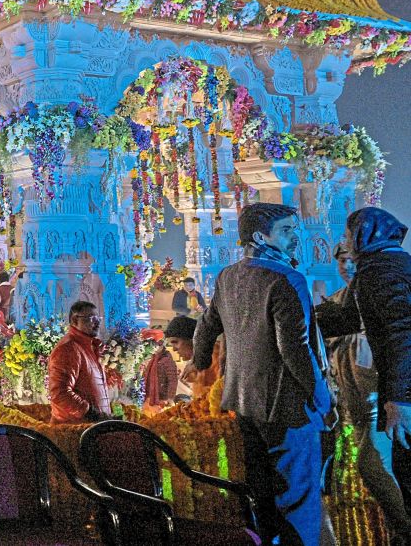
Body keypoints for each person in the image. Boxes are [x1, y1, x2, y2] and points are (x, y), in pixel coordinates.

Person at [192, 202, 334, 546]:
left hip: (244, 404)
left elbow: (205, 328)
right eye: (286, 231)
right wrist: (322, 397)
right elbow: (296, 349)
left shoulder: (228, 277)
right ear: (260, 236)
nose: (295, 238)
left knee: (263, 498)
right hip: (288, 409)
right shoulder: (287, 278)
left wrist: (197, 363)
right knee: (297, 501)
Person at [317, 207, 411, 537]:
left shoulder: (381, 270)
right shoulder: (385, 266)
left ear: (365, 235)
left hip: (400, 395)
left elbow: (401, 332)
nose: (347, 246)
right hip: (391, 393)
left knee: (395, 472)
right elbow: (349, 318)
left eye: (349, 237)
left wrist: (399, 399)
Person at [47, 300, 111, 424]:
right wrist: (90, 413)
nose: (97, 322)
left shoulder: (90, 347)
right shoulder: (68, 348)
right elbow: (60, 394)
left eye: (98, 318)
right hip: (74, 430)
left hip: (92, 427)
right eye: (91, 318)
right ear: (75, 320)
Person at [164, 315, 223, 401]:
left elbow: (218, 396)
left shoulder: (215, 355)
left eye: (175, 342)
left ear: (191, 339)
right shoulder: (196, 361)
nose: (174, 349)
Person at [141, 332, 179, 411]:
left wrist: (170, 398)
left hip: (161, 399)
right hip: (148, 396)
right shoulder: (151, 357)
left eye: (157, 345)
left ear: (162, 346)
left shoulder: (167, 359)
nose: (155, 348)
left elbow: (173, 379)